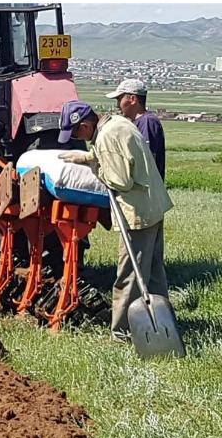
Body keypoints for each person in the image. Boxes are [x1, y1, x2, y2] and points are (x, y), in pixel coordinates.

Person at [56, 100, 174, 343]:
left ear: (86, 125)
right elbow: (121, 154)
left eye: (75, 133)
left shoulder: (106, 137)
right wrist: (88, 156)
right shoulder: (117, 122)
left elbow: (121, 181)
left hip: (137, 212)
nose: (76, 138)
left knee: (129, 276)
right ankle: (165, 323)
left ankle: (123, 332)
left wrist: (95, 167)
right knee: (154, 273)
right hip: (153, 205)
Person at [106, 79, 166, 178]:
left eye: (119, 100)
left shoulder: (147, 122)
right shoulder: (138, 122)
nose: (118, 105)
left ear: (133, 99)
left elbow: (146, 159)